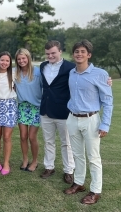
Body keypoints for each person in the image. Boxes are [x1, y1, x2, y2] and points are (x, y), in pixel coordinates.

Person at [64, 40, 113, 205]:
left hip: (91, 120)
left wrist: (105, 124)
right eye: (76, 51)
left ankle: (95, 190)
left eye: (83, 51)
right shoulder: (72, 73)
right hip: (72, 118)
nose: (79, 54)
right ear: (73, 54)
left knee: (93, 157)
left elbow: (108, 101)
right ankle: (78, 183)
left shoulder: (100, 74)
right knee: (77, 154)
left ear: (89, 55)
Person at [39, 40, 76, 184]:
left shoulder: (71, 67)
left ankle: (69, 170)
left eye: (53, 53)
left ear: (60, 51)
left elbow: (86, 75)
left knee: (66, 143)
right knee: (48, 141)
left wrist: (107, 80)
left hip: (63, 111)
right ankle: (49, 167)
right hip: (46, 110)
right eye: (48, 53)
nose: (50, 56)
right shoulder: (43, 66)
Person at [14, 49, 42, 172]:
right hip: (22, 107)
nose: (21, 61)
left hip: (36, 107)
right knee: (23, 136)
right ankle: (25, 159)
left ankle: (35, 161)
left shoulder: (38, 72)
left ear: (28, 58)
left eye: (23, 58)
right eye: (19, 59)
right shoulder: (16, 73)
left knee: (32, 137)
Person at [0, 52, 18, 175]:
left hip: (10, 105)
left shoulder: (13, 73)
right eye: (2, 60)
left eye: (7, 61)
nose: (4, 63)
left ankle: (6, 162)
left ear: (10, 62)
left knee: (7, 136)